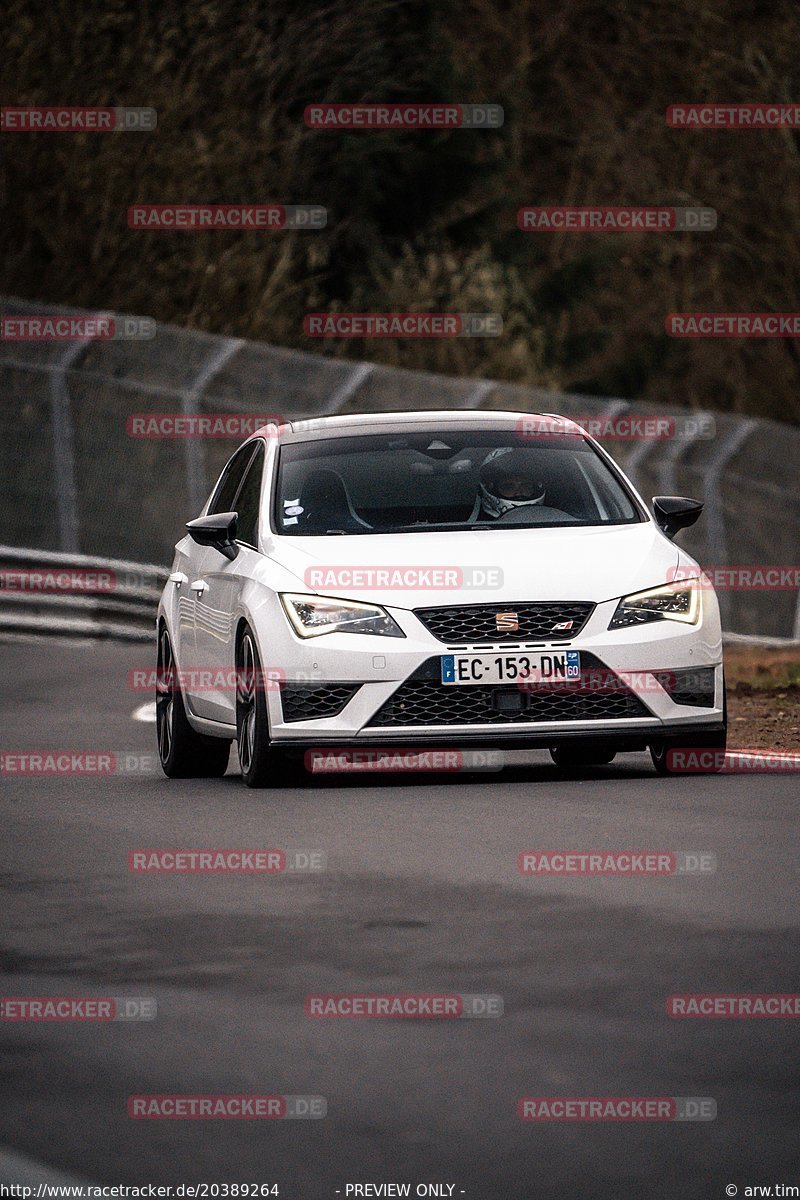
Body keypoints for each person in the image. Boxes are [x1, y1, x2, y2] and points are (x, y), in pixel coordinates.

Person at [478, 448, 546, 519]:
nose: (519, 492)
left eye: (526, 486)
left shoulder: (552, 523)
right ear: (491, 488)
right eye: (509, 487)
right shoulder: (473, 527)